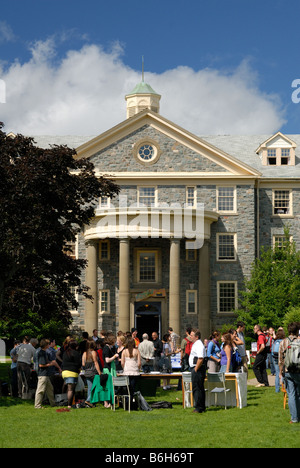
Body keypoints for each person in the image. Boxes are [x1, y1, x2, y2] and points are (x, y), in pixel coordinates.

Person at [279, 322, 300, 424]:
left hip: (288, 371)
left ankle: (294, 418)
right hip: (299, 371)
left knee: (291, 394)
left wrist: (280, 372)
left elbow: (280, 359)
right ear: (297, 331)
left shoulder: (283, 342)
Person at [34, 339, 61, 409]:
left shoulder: (43, 352)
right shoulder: (41, 353)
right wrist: (50, 364)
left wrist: (49, 363)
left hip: (45, 374)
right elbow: (41, 365)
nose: (49, 346)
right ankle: (37, 405)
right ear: (46, 345)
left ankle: (53, 403)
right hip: (42, 374)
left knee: (50, 389)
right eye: (48, 344)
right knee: (40, 390)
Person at [189, 328, 206, 414]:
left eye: (191, 335)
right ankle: (201, 406)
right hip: (197, 368)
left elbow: (200, 358)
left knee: (197, 388)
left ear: (196, 336)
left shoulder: (199, 344)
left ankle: (198, 407)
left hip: (198, 368)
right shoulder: (196, 344)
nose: (190, 337)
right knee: (199, 388)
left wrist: (195, 369)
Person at [62, 339, 81, 409]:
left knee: (69, 388)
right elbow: (79, 364)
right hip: (72, 372)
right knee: (71, 389)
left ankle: (69, 402)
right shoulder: (76, 353)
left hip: (64, 372)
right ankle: (69, 405)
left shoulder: (65, 353)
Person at [82, 340, 101, 407]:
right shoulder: (93, 352)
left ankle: (90, 402)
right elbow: (96, 362)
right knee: (96, 387)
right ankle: (89, 400)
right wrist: (99, 372)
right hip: (93, 372)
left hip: (87, 372)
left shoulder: (84, 353)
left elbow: (83, 364)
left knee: (90, 387)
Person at [121, 337, 141, 402]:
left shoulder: (124, 351)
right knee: (132, 387)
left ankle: (127, 401)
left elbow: (122, 363)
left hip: (127, 371)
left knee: (127, 387)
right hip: (134, 371)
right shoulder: (137, 351)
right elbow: (139, 363)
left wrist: (124, 368)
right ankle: (130, 400)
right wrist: (138, 368)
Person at [272, 328, 285, 393]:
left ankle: (277, 389)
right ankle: (284, 387)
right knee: (284, 373)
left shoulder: (275, 341)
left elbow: (272, 351)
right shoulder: (284, 341)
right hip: (282, 358)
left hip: (275, 357)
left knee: (277, 373)